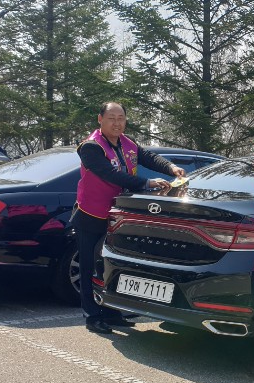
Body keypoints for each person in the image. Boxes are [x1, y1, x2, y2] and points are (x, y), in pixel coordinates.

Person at [72, 101, 185, 335]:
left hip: (119, 215)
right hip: (91, 214)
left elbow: (149, 157)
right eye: (111, 118)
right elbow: (111, 174)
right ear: (100, 119)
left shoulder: (127, 142)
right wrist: (147, 182)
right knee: (89, 266)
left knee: (112, 264)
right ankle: (92, 316)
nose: (117, 123)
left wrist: (171, 168)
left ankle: (112, 313)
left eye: (121, 118)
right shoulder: (91, 147)